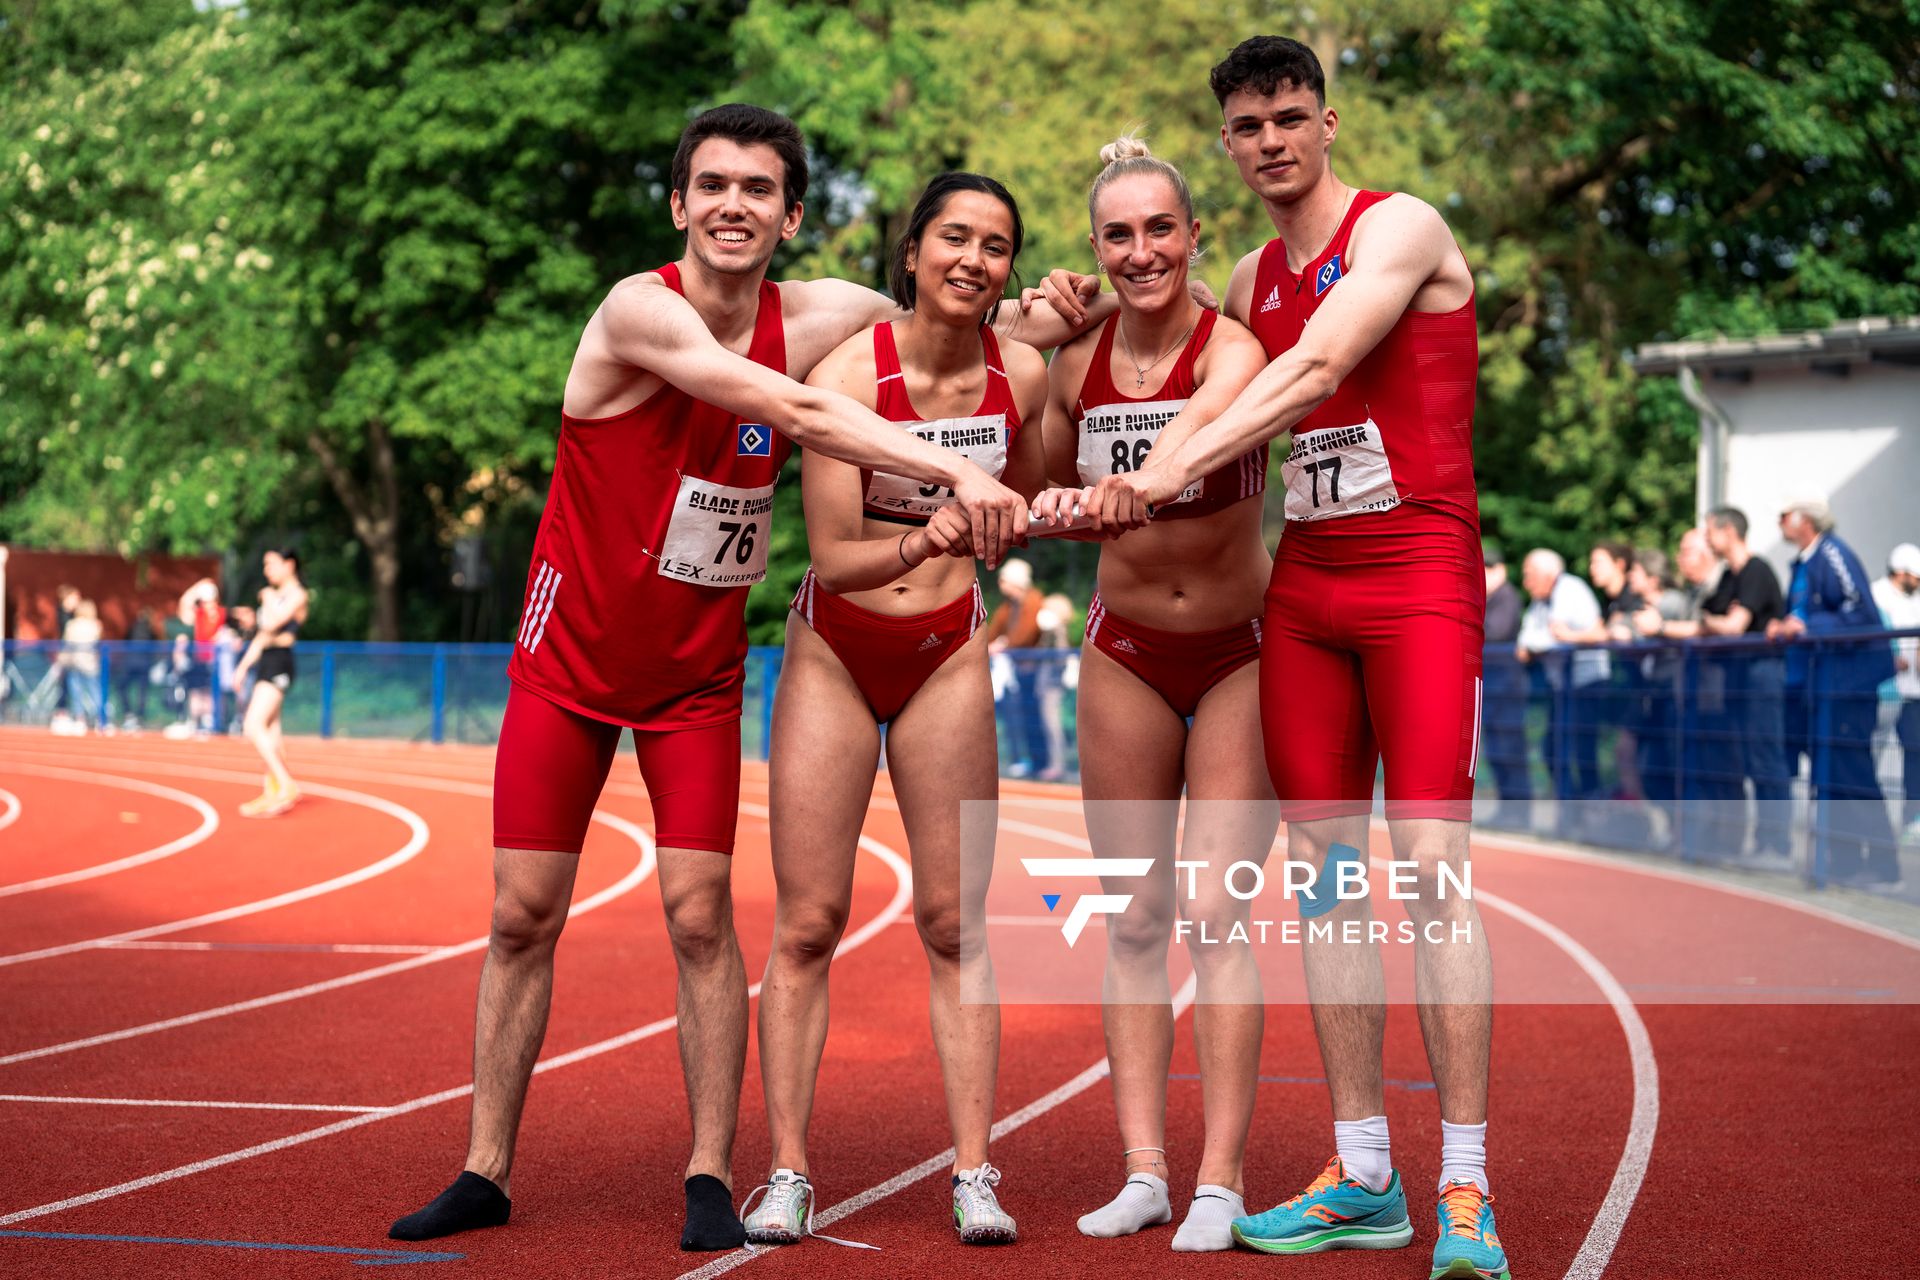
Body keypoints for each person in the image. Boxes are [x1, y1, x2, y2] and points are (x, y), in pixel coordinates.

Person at [388, 104, 1105, 1252]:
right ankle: (484, 1166)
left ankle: (710, 1171)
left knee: (700, 914)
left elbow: (951, 317)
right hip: (570, 658)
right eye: (713, 184)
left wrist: (1065, 311)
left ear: (791, 215)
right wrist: (956, 473)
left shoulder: (821, 314)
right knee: (523, 912)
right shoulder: (638, 309)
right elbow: (792, 404)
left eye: (759, 189)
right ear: (679, 203)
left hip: (695, 672)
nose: (734, 204)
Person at [1061, 36, 1506, 1277]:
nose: (1271, 141)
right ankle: (1364, 1170)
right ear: (1227, 143)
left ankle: (1466, 1182)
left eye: (1290, 117)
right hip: (1305, 591)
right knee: (1323, 873)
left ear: (1328, 122)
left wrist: (1164, 467)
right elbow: (1158, 316)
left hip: (1418, 577)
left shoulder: (1399, 228)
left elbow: (1315, 365)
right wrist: (1064, 306)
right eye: (1248, 126)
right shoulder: (1250, 273)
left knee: (1432, 872)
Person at [746, 173, 1047, 1249]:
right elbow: (834, 557)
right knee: (808, 922)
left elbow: (1032, 493)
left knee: (955, 923)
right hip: (838, 647)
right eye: (954, 237)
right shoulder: (846, 377)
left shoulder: (1022, 373)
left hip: (946, 654)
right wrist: (932, 535)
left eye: (996, 246)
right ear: (912, 251)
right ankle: (787, 1171)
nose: (974, 259)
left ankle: (975, 1172)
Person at [1028, 134, 1277, 1252]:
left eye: (1160, 229)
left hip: (1240, 655)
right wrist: (1028, 340)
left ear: (1192, 235)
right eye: (1119, 236)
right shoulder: (1073, 364)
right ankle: (1145, 1171)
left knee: (1214, 913)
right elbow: (1034, 481)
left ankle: (1221, 1178)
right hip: (1123, 651)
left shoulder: (1236, 347)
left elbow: (1206, 423)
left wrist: (1138, 478)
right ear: (1095, 249)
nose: (1142, 252)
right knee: (1133, 915)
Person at [1771, 499, 1898, 887]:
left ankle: (1884, 867)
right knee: (1831, 778)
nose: (1779, 521)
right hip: (1821, 687)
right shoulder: (1806, 562)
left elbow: (1859, 612)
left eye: (1785, 514)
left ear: (1805, 519)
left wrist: (1806, 626)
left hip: (1846, 686)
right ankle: (1844, 863)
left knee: (1853, 774)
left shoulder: (1832, 554)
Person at [1700, 506, 1790, 858]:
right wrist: (1714, 621)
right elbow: (1710, 617)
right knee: (1748, 760)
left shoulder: (1756, 570)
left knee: (1766, 758)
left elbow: (1731, 626)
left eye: (1710, 530)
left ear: (1729, 532)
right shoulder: (1728, 577)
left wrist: (1714, 623)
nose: (1707, 538)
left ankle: (1777, 845)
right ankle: (1762, 841)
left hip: (1762, 673)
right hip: (1739, 676)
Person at [1517, 549, 1607, 807]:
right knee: (1552, 749)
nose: (1526, 583)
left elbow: (1549, 640)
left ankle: (1590, 809)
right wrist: (1542, 641)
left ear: (1548, 574)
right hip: (1562, 685)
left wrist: (1545, 641)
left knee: (1582, 751)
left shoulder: (1569, 590)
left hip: (1586, 683)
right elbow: (1528, 640)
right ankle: (1574, 809)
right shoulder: (1540, 601)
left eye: (1530, 575)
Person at [231, 551, 308, 817]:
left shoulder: (298, 594)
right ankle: (273, 792)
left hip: (280, 663)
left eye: (271, 564)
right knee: (272, 731)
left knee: (253, 724)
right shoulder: (275, 595)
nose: (267, 570)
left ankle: (286, 785)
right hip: (267, 660)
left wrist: (268, 598)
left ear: (289, 565)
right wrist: (243, 667)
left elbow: (275, 622)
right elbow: (263, 636)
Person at [1480, 543, 1531, 827]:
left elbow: (1496, 632)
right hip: (1495, 686)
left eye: (1487, 568)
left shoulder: (1507, 596)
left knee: (1511, 749)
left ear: (1500, 569)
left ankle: (1519, 813)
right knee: (1497, 749)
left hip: (1507, 686)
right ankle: (1507, 809)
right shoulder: (1492, 598)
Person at [1872, 543, 1920, 842]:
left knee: (1914, 761)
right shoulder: (1876, 594)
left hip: (1913, 694)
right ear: (1901, 572)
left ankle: (1911, 823)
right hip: (1884, 693)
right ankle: (1873, 828)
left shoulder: (1917, 601)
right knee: (1872, 759)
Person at [985, 557, 1050, 775]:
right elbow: (992, 634)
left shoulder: (1033, 601)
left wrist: (1004, 645)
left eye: (1004, 580)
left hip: (1033, 670)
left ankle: (1040, 763)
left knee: (1035, 718)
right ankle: (1026, 761)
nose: (1001, 584)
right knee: (1017, 717)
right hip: (1014, 671)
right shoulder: (1007, 607)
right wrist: (994, 644)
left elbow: (1027, 633)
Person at [56, 599, 104, 733]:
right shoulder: (95, 625)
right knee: (94, 691)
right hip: (89, 662)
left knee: (76, 692)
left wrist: (61, 662)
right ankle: (101, 719)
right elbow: (97, 642)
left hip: (75, 662)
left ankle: (80, 719)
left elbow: (67, 644)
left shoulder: (72, 625)